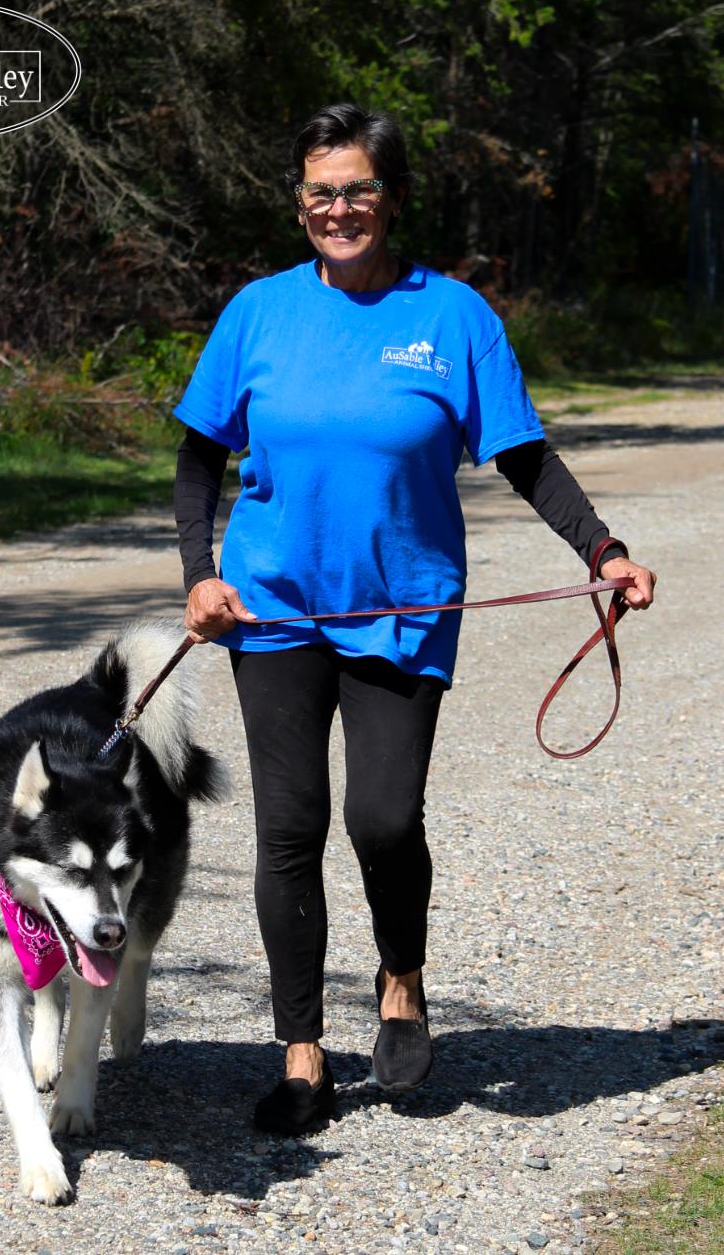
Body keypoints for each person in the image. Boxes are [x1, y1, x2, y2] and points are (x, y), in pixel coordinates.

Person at [172, 103, 656, 1135]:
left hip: (402, 607)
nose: (336, 208)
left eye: (355, 189)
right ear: (297, 201)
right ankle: (301, 1053)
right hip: (271, 608)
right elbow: (197, 453)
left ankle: (399, 977)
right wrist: (198, 572)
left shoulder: (454, 319)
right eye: (318, 192)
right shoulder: (256, 313)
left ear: (389, 198)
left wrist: (602, 550)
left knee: (382, 819)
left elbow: (522, 451)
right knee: (288, 829)